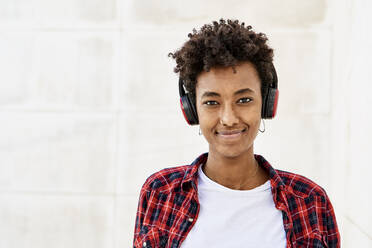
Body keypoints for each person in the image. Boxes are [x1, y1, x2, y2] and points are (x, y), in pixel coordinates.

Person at [132, 19, 340, 248]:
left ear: (266, 103)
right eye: (212, 102)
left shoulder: (310, 200)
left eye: (244, 100)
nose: (229, 119)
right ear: (191, 109)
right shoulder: (160, 192)